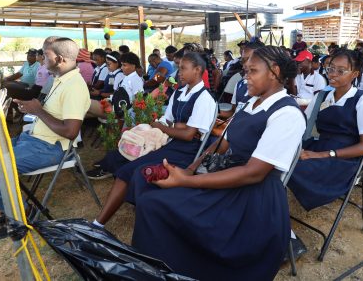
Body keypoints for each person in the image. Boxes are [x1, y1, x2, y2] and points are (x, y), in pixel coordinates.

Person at [128, 46, 305, 280]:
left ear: (274, 71)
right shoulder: (251, 104)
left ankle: (173, 269)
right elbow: (221, 144)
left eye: (252, 71)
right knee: (147, 181)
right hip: (229, 175)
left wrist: (189, 181)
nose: (245, 77)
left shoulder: (287, 114)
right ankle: (165, 264)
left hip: (252, 196)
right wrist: (189, 170)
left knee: (155, 204)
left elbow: (253, 173)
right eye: (245, 70)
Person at [0, 36, 90, 239]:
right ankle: (11, 209)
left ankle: (21, 214)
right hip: (33, 140)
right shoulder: (58, 79)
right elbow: (49, 112)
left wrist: (38, 111)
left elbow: (71, 132)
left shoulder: (74, 86)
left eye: (46, 55)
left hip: (51, 148)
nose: (42, 59)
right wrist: (31, 107)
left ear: (60, 59)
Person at [90, 53, 216, 228]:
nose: (178, 72)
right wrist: (172, 126)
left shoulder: (204, 98)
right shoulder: (179, 92)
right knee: (122, 162)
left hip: (187, 151)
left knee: (134, 170)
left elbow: (188, 135)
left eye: (183, 68)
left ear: (197, 70)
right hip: (171, 142)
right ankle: (98, 223)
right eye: (178, 68)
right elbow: (168, 119)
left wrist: (165, 127)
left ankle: (99, 224)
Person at [288, 49, 363, 212]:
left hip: (343, 159)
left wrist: (323, 155)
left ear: (354, 74)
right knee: (277, 160)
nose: (332, 74)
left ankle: (278, 218)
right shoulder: (323, 97)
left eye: (341, 70)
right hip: (320, 146)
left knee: (289, 168)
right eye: (330, 68)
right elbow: (303, 122)